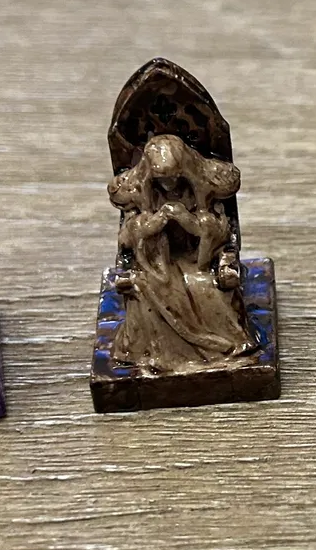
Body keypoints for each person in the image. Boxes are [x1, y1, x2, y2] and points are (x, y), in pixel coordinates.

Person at [108, 133, 257, 373]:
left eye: (173, 177)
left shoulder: (202, 191)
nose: (169, 184)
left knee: (203, 285)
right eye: (161, 179)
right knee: (149, 287)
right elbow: (130, 235)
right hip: (158, 262)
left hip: (198, 258)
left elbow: (217, 230)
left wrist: (186, 219)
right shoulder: (140, 194)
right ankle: (160, 355)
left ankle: (229, 346)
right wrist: (158, 220)